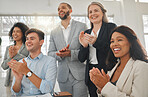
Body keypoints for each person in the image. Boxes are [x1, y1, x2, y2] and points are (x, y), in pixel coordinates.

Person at [89, 25, 148, 97]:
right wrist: (100, 87)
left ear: (130, 42)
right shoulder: (113, 68)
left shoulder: (142, 67)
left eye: (119, 40)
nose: (114, 44)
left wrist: (105, 86)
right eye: (112, 41)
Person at [48, 2, 88, 97]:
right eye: (58, 9)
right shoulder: (54, 32)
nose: (60, 10)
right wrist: (60, 54)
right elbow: (50, 53)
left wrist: (71, 53)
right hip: (63, 76)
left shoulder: (82, 26)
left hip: (79, 74)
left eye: (63, 8)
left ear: (70, 11)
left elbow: (86, 50)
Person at [78, 2, 116, 97]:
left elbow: (113, 50)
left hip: (107, 71)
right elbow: (81, 58)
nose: (93, 14)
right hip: (91, 72)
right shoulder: (87, 32)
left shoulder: (110, 27)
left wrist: (96, 42)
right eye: (90, 12)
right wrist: (84, 46)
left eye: (96, 10)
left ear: (103, 13)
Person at [8, 28, 57, 96]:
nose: (28, 41)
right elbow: (15, 92)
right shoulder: (21, 62)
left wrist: (27, 72)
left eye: (32, 39)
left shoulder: (50, 61)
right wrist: (18, 80)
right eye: (27, 39)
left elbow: (48, 88)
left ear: (41, 42)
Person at [1, 22, 29, 95]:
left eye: (18, 31)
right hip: (10, 82)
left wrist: (16, 55)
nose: (15, 34)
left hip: (24, 82)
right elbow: (4, 66)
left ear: (23, 33)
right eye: (13, 31)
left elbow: (30, 62)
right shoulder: (8, 48)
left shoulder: (28, 47)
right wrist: (10, 57)